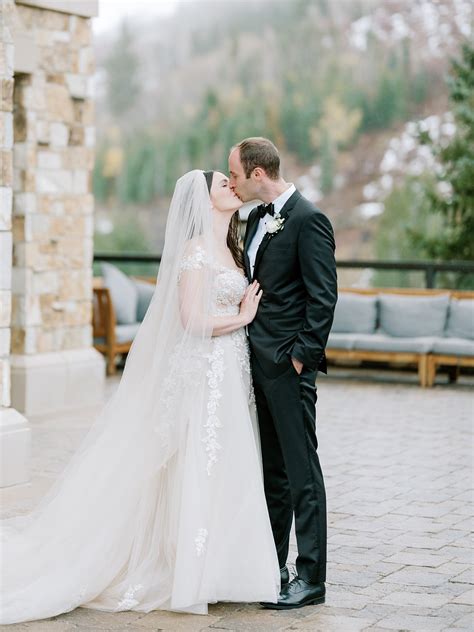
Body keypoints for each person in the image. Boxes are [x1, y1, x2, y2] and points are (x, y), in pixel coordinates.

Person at [0, 170, 281, 624]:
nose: (231, 186)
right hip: (204, 373)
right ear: (203, 201)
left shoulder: (231, 248)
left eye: (232, 182)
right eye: (222, 185)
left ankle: (224, 567)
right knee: (197, 463)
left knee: (227, 462)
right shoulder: (194, 253)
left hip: (231, 373)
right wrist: (242, 316)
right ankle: (188, 569)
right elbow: (191, 319)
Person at [229, 137, 338, 610]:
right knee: (272, 473)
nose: (231, 182)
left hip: (288, 367)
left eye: (234, 173)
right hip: (256, 363)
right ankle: (272, 567)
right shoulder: (254, 218)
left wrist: (301, 358)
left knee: (301, 473)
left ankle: (311, 577)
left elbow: (323, 297)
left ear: (257, 173)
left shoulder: (309, 220)